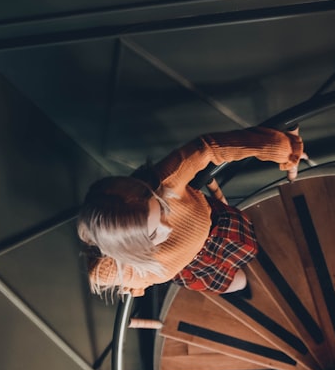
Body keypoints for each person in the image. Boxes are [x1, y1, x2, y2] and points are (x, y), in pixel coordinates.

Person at [78, 127, 305, 299]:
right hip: (192, 269)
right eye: (154, 232)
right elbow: (99, 274)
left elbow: (208, 148)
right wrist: (136, 281)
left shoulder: (165, 183)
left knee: (249, 251)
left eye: (162, 210)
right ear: (130, 250)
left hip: (217, 230)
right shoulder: (114, 266)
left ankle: (245, 278)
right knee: (237, 282)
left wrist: (278, 147)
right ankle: (243, 287)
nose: (167, 227)